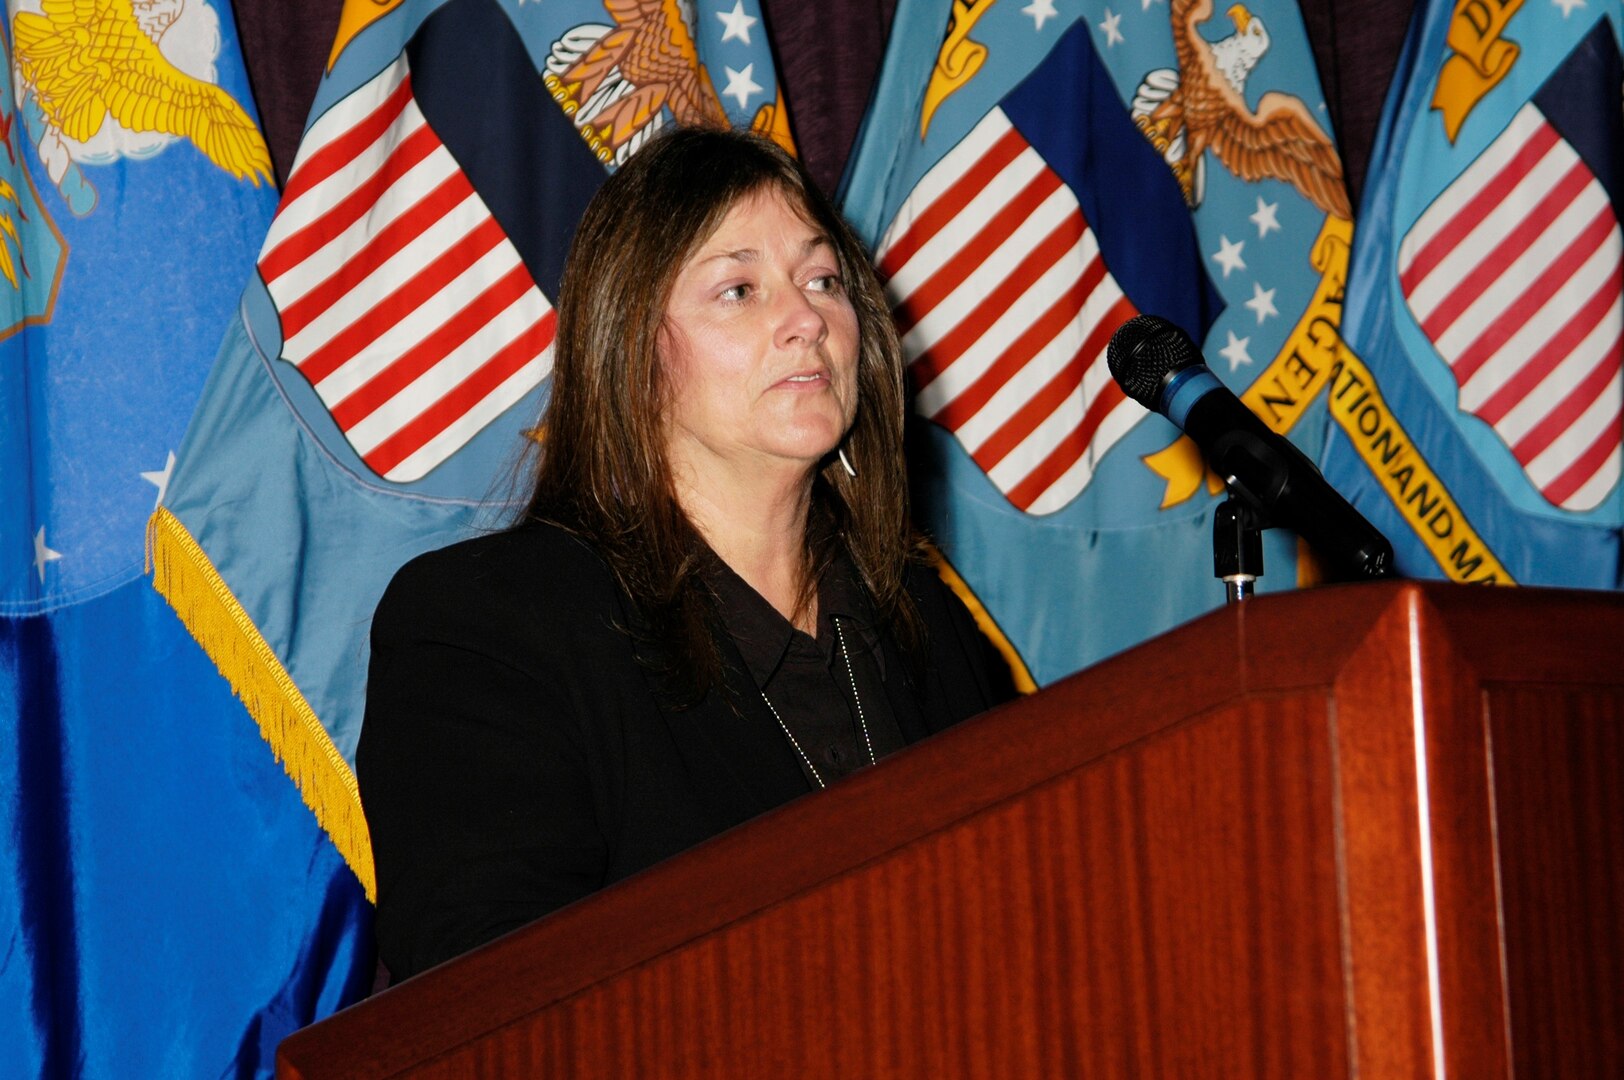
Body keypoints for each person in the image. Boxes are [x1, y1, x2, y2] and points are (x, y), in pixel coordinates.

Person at [356, 128, 1016, 983]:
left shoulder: (920, 614)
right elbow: (489, 1021)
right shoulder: (489, 627)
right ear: (632, 350)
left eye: (822, 280)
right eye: (739, 290)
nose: (807, 319)